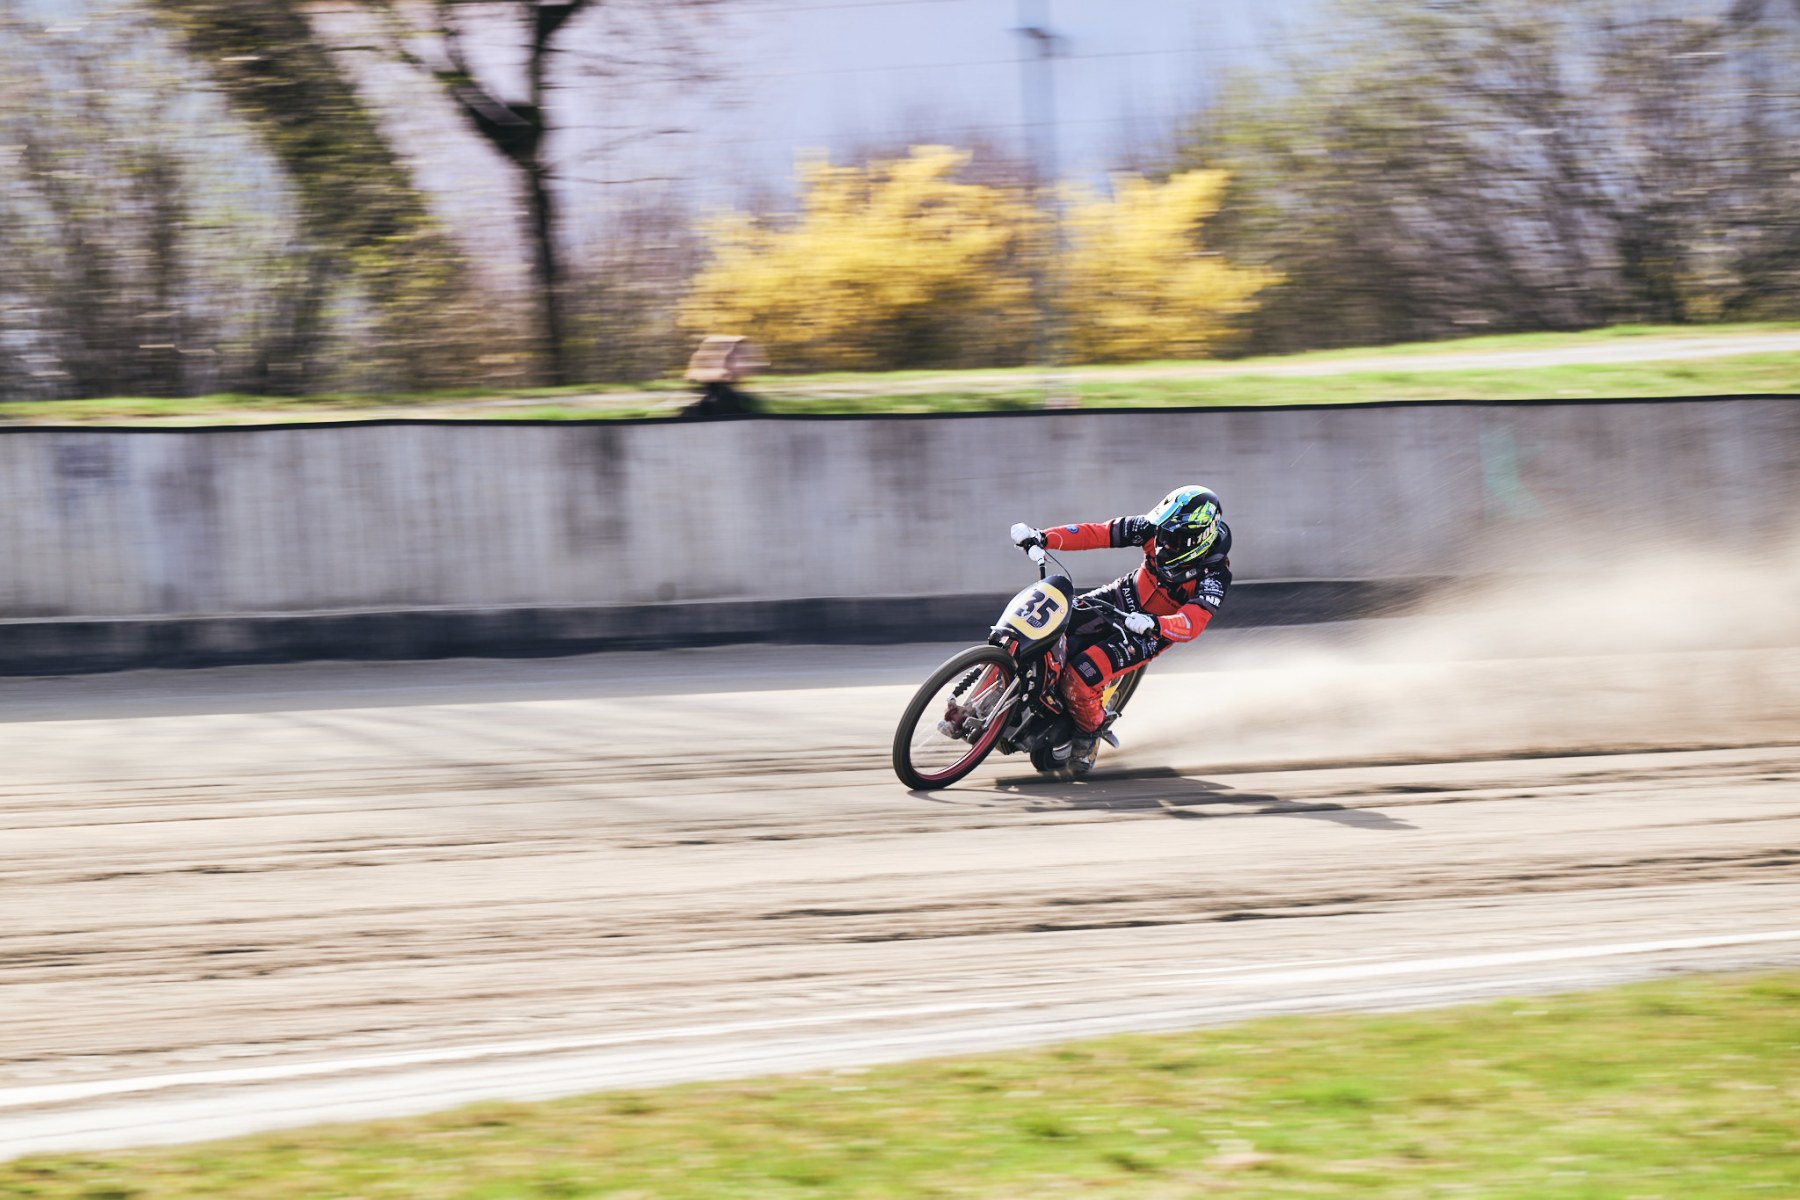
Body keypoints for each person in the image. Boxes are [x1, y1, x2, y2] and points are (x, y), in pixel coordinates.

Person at [1009, 485, 1231, 771]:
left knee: (1079, 677)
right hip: (1120, 595)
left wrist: (1156, 624)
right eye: (1162, 533)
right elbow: (1097, 533)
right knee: (1041, 626)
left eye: (1172, 539)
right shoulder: (1152, 526)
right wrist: (1043, 537)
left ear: (1198, 539)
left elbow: (1192, 622)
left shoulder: (1216, 575)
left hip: (1149, 633)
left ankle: (1089, 736)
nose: (1161, 543)